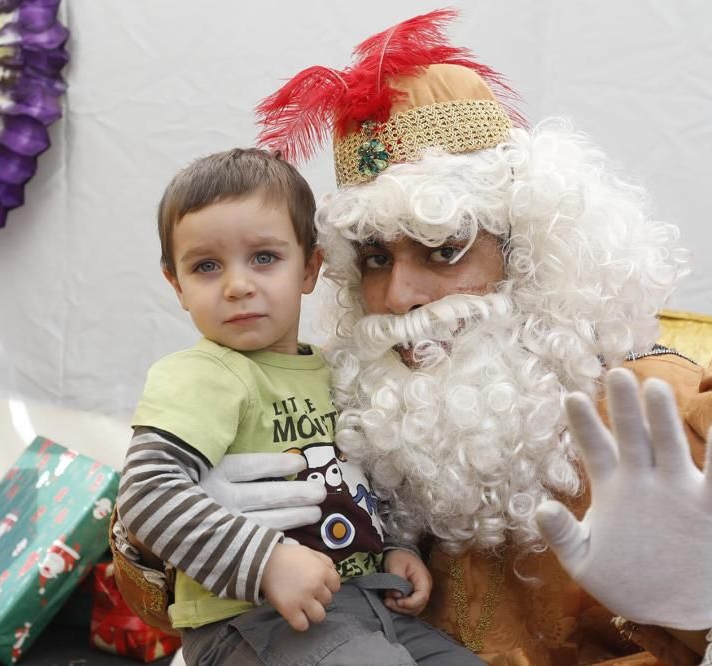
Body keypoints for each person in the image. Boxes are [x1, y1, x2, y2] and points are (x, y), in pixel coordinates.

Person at [258, 8, 712, 663]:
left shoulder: (681, 419)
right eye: (375, 257)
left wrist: (709, 615)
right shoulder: (339, 408)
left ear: (528, 255)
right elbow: (162, 613)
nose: (397, 296)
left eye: (443, 249)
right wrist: (167, 541)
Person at [114, 148, 483, 665]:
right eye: (205, 266)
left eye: (264, 257)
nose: (238, 285)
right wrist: (264, 560)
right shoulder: (201, 374)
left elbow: (356, 479)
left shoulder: (336, 370)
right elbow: (146, 494)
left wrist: (392, 547)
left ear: (310, 267)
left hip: (366, 603)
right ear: (175, 283)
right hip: (251, 617)